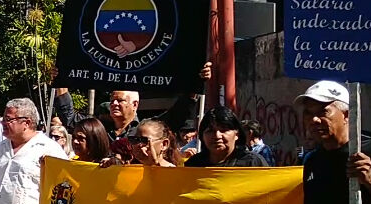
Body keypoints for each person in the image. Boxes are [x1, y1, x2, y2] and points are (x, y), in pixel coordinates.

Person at [54, 63, 212, 144]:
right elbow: (69, 118)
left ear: (135, 104)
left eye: (120, 100)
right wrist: (59, 80)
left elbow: (178, 115)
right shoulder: (99, 128)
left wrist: (196, 82)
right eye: (112, 100)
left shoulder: (146, 129)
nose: (114, 104)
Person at [185, 107, 267, 168]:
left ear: (236, 134)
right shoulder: (193, 165)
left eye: (223, 130)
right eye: (210, 131)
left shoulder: (252, 163)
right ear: (202, 135)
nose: (217, 136)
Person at [108, 119, 182, 168]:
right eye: (135, 140)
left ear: (164, 144)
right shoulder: (133, 168)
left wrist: (154, 164)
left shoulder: (172, 170)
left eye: (144, 140)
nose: (138, 145)